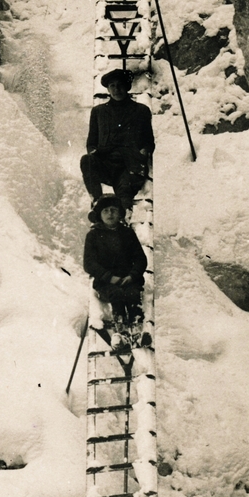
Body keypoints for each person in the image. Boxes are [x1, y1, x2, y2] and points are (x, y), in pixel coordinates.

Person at [80, 70, 154, 213]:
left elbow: (149, 141)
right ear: (107, 89)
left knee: (124, 197)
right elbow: (91, 142)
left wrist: (143, 151)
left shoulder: (141, 110)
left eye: (120, 85)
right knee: (86, 160)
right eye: (112, 86)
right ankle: (97, 203)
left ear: (127, 87)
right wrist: (94, 152)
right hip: (107, 164)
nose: (116, 89)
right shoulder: (98, 112)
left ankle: (123, 220)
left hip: (130, 165)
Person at [83, 196, 148, 340]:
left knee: (132, 293)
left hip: (128, 278)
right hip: (106, 282)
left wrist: (132, 275)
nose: (110, 213)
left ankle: (137, 331)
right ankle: (121, 332)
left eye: (113, 210)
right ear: (100, 215)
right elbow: (89, 263)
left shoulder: (128, 233)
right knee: (116, 294)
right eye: (105, 211)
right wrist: (109, 277)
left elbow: (140, 258)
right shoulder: (93, 236)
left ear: (119, 214)